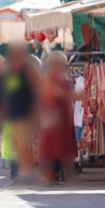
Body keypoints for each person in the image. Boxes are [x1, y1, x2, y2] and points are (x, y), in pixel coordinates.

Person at [3, 41, 40, 187]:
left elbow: (38, 92)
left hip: (25, 114)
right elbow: (8, 92)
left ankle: (27, 177)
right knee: (17, 147)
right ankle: (21, 176)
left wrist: (36, 113)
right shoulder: (12, 70)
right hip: (13, 115)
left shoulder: (29, 69)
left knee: (25, 147)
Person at [37, 50, 77, 183]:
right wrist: (78, 96)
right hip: (52, 115)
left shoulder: (62, 77)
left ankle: (66, 175)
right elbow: (57, 93)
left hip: (62, 115)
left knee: (62, 146)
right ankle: (50, 176)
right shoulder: (47, 78)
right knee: (50, 147)